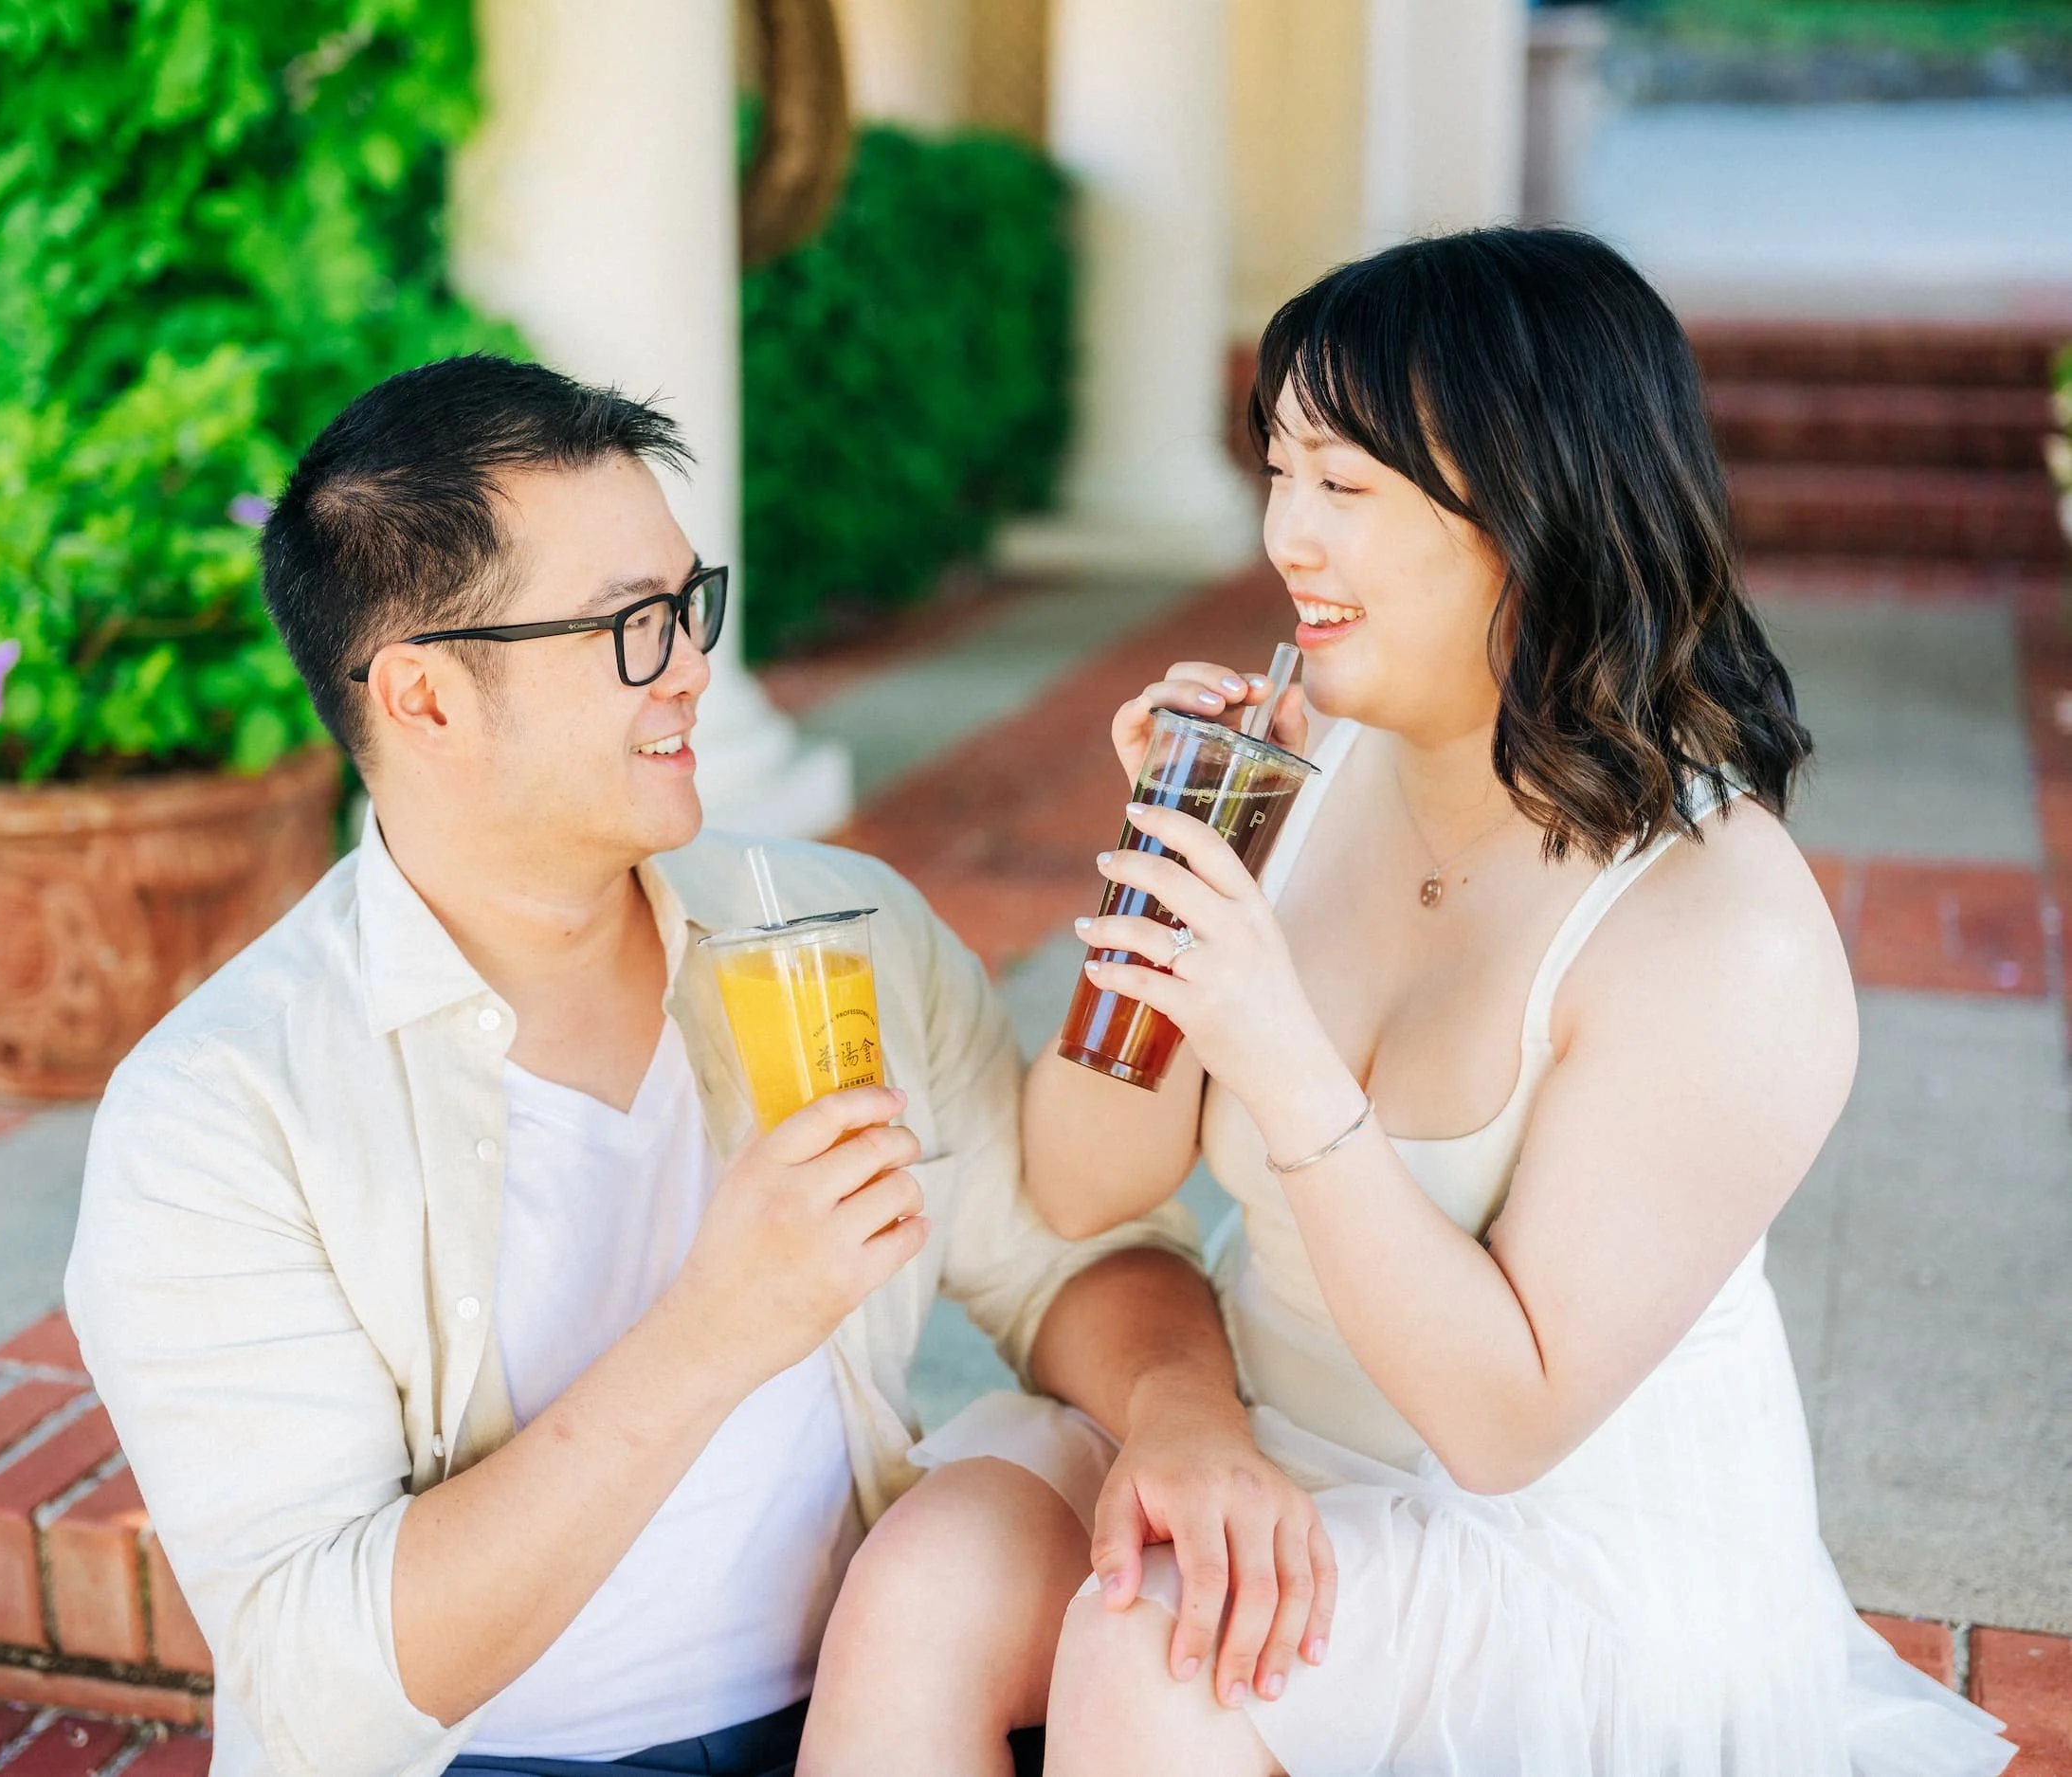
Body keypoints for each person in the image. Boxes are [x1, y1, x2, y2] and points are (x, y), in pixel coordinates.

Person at [809, 229, 2017, 1775]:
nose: (1287, 537)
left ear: (1530, 507)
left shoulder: (1722, 927)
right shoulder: (1297, 766)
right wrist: (1161, 893)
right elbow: (1083, 1178)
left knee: (1160, 1637)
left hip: (1551, 1544)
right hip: (1271, 1442)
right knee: (932, 1573)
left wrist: (1282, 1051)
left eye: (1346, 488)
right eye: (1282, 471)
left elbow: (1505, 1418)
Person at [64, 354, 1304, 1777]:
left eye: (687, 602)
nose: (696, 665)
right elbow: (327, 1671)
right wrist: (719, 1327)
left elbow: (1070, 1257)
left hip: (865, 1711)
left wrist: (1187, 1416)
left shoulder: (840, 934)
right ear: (421, 702)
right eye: (629, 628)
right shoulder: (221, 1108)